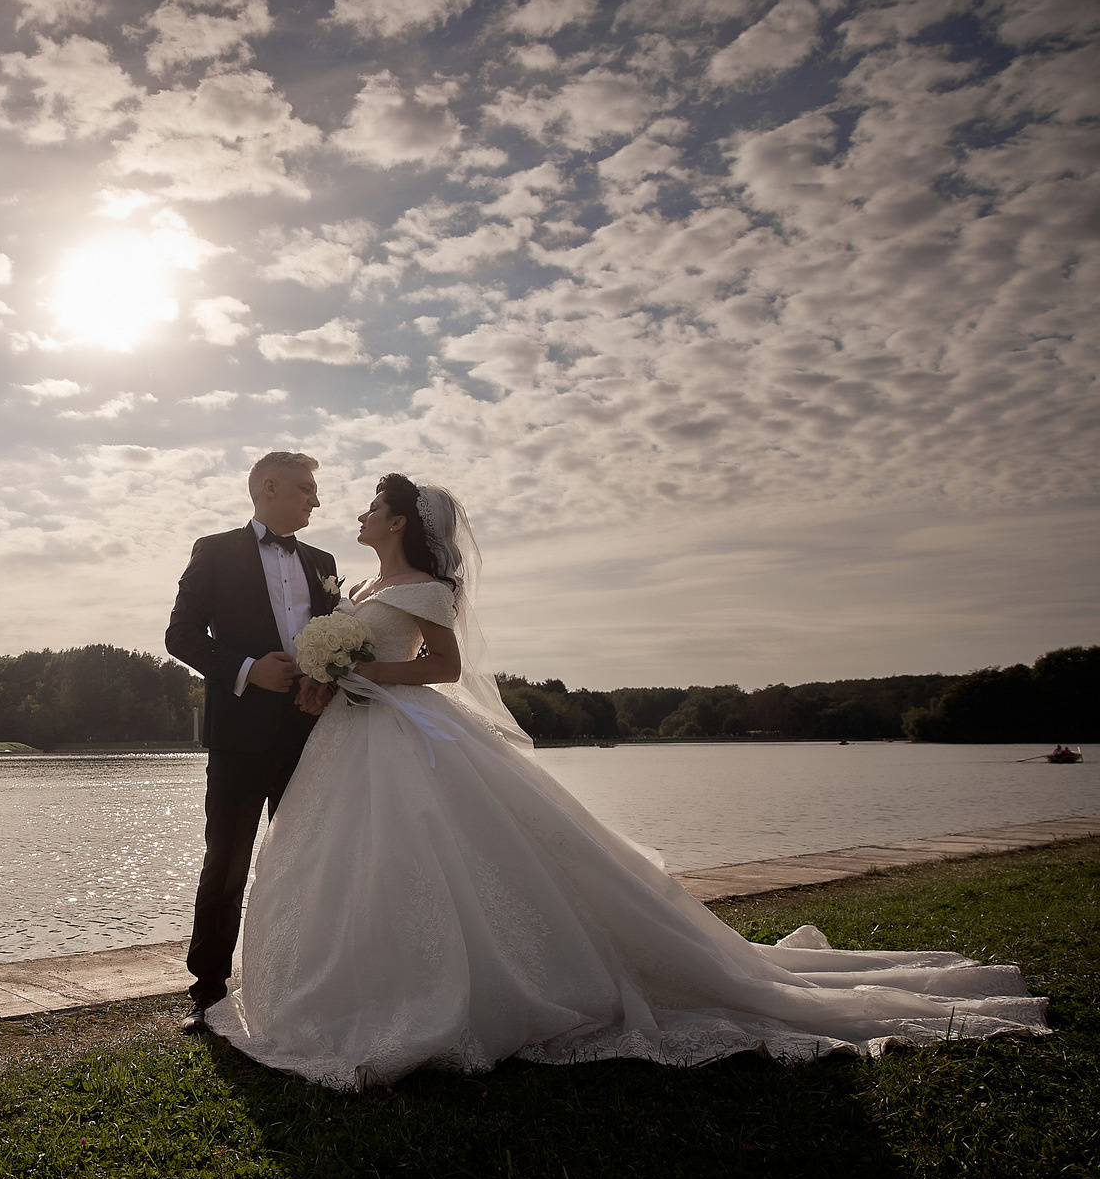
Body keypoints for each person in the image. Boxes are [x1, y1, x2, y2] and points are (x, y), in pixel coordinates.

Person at [207, 474, 1049, 1089]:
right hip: (351, 736)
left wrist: (362, 677)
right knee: (346, 863)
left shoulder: (425, 586)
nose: (355, 510)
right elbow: (357, 651)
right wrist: (333, 679)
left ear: (397, 519)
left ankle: (466, 992)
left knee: (429, 852)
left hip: (406, 732)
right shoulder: (357, 583)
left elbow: (445, 667)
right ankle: (351, 985)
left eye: (370, 505)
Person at [166, 451, 340, 1033]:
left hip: (312, 735)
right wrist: (245, 669)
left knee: (310, 860)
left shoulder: (323, 562)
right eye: (306, 489)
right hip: (240, 737)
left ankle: (305, 979)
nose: (315, 500)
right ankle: (208, 991)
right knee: (227, 861)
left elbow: (338, 640)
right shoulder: (214, 552)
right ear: (268, 487)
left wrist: (325, 677)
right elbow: (180, 635)